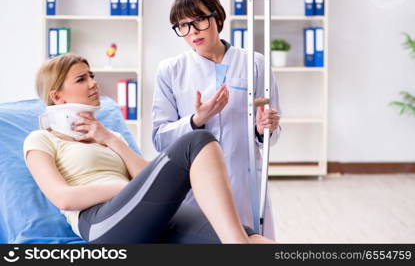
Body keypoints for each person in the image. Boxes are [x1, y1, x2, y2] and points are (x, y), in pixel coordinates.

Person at [24, 53, 275, 244]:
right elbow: (64, 198)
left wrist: (112, 141)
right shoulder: (40, 140)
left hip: (141, 212)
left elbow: (149, 177)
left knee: (252, 239)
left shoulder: (107, 134)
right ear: (57, 97)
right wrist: (128, 189)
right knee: (197, 141)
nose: (93, 83)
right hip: (100, 221)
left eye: (92, 76)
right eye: (82, 79)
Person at [152, 0, 281, 238]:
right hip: (194, 187)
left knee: (250, 242)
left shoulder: (254, 64)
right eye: (183, 26)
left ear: (217, 16)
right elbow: (159, 138)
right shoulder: (170, 70)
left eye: (199, 21)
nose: (192, 32)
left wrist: (263, 129)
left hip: (245, 184)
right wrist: (197, 119)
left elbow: (272, 135)